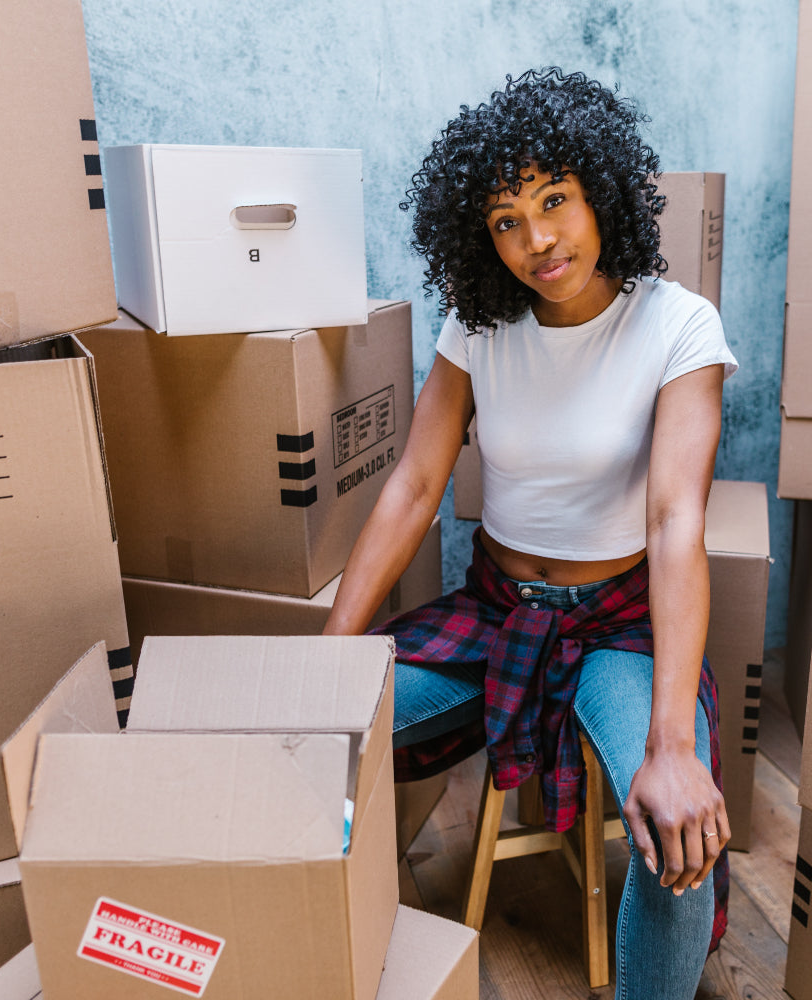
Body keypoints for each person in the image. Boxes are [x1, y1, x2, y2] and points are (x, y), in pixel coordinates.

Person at [323, 67, 737, 999]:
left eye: (555, 200)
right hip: (498, 619)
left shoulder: (679, 326)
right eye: (506, 218)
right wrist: (331, 654)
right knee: (312, 735)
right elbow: (417, 482)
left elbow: (676, 522)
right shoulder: (478, 326)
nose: (537, 239)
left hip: (619, 629)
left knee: (676, 839)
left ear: (604, 192)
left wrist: (673, 746)